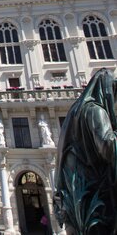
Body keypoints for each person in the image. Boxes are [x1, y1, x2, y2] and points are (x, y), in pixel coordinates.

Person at [54, 69, 117, 234]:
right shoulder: (95, 110)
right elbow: (107, 146)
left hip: (75, 193)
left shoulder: (74, 111)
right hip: (93, 193)